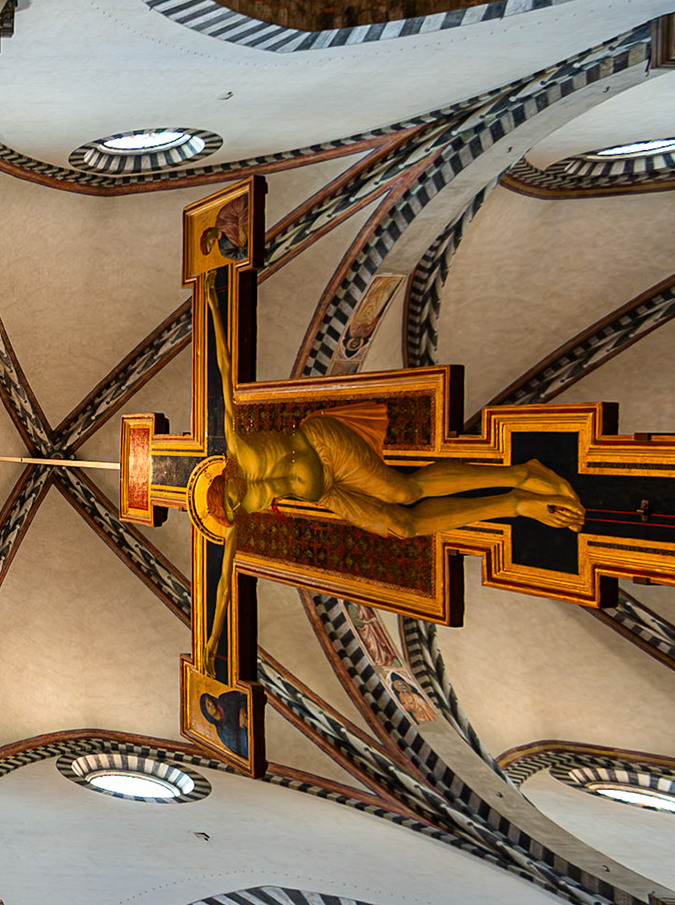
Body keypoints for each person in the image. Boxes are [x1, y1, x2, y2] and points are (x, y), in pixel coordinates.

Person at [197, 284, 584, 666]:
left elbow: (224, 368)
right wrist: (210, 650)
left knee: (404, 491)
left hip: (324, 447)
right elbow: (223, 592)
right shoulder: (237, 516)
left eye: (232, 500)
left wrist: (214, 299)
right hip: (327, 492)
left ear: (224, 481)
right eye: (237, 512)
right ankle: (514, 505)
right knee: (402, 525)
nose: (243, 510)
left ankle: (520, 474)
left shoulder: (238, 449)